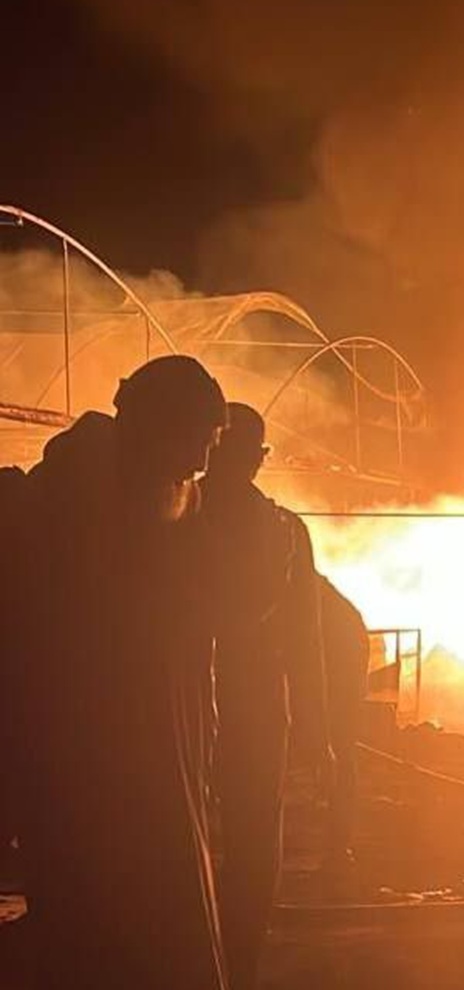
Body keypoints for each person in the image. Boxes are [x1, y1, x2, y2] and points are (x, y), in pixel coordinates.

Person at [10, 355, 230, 989]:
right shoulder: (64, 502)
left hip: (169, 755)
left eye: (212, 445)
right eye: (197, 441)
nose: (203, 462)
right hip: (86, 765)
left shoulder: (177, 500)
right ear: (152, 427)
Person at [202, 402, 332, 990]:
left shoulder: (178, 516)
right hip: (256, 702)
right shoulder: (286, 531)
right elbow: (306, 640)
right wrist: (316, 731)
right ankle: (238, 964)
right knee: (255, 844)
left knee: (185, 839)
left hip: (185, 701)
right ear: (255, 458)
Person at [317, 574, 371, 864]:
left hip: (343, 659)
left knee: (341, 750)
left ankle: (338, 845)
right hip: (336, 652)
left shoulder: (332, 612)